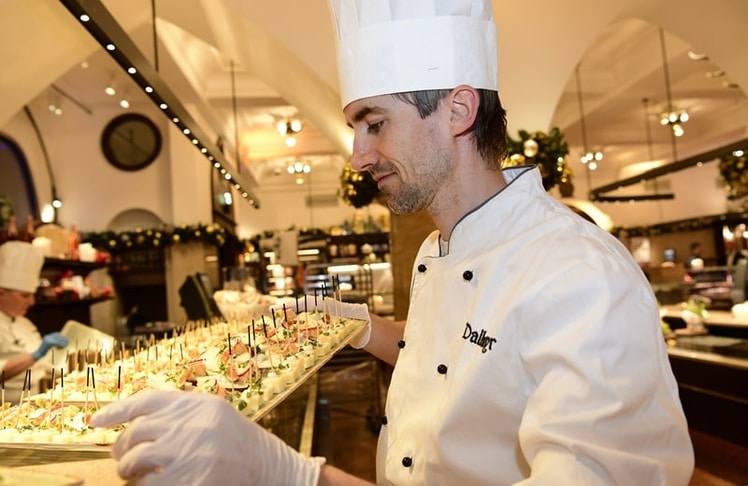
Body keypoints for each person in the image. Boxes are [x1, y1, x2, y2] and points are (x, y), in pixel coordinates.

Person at [91, 1, 695, 484]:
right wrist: (355, 327)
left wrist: (291, 475)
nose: (357, 156)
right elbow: (448, 356)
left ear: (458, 110)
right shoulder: (438, 250)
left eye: (375, 124)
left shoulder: (581, 273)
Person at [0, 241, 68, 404]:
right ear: (1, 293)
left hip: (40, 400)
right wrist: (34, 355)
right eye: (25, 296)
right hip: (10, 410)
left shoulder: (25, 323)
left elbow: (43, 365)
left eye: (32, 295)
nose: (31, 302)